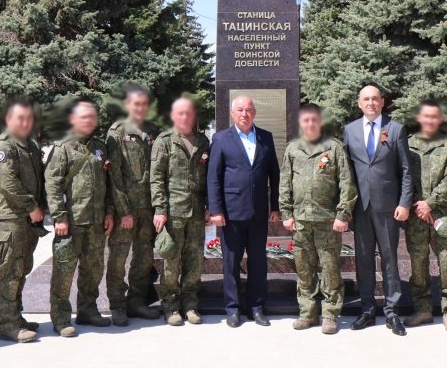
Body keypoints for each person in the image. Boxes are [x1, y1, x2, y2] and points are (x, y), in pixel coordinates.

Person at [279, 103, 357, 335]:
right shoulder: (293, 149)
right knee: (304, 269)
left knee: (330, 268)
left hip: (327, 220)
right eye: (306, 120)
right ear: (300, 123)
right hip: (301, 220)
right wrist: (286, 213)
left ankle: (331, 314)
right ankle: (308, 313)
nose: (310, 124)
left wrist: (343, 214)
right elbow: (285, 183)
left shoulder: (334, 148)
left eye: (314, 120)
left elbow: (347, 184)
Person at [343, 85, 412, 336]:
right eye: (366, 99)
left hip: (387, 207)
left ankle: (392, 312)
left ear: (382, 102)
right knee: (363, 259)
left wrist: (404, 203)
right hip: (360, 207)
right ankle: (367, 309)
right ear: (359, 104)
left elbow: (405, 170)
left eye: (375, 99)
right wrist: (345, 207)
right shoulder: (349, 130)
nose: (370, 103)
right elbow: (346, 171)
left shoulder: (396, 129)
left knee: (390, 258)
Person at [207, 94, 281, 327]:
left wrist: (275, 206)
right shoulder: (220, 139)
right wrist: (216, 210)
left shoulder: (266, 138)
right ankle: (232, 308)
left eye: (248, 110)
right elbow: (213, 178)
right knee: (231, 262)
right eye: (240, 110)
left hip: (259, 212)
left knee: (258, 262)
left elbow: (274, 176)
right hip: (230, 213)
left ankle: (256, 307)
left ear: (254, 113)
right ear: (232, 113)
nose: (244, 114)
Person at [45, 100, 116, 337]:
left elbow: (106, 184)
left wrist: (108, 211)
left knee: (93, 270)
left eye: (92, 117)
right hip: (71, 221)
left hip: (95, 221)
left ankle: (88, 310)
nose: (89, 121)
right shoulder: (63, 147)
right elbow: (52, 184)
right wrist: (59, 216)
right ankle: (61, 317)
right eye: (84, 117)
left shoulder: (100, 147)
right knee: (64, 272)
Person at [0, 99, 46, 343]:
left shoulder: (29, 145)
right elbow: (7, 182)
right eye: (19, 118)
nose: (25, 122)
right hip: (10, 219)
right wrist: (32, 205)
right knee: (10, 271)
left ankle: (16, 316)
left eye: (28, 118)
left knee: (22, 269)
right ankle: (8, 324)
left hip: (28, 221)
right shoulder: (4, 147)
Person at [105, 85, 163, 325]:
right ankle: (118, 305)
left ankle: (136, 301)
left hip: (148, 208)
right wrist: (123, 211)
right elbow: (114, 176)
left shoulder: (153, 131)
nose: (140, 108)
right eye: (135, 104)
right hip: (125, 211)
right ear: (128, 105)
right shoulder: (117, 132)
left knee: (144, 257)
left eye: (143, 104)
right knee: (118, 258)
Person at [150, 97, 211, 326]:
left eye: (188, 113)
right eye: (180, 114)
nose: (185, 117)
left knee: (194, 261)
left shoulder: (203, 142)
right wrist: (159, 208)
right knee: (171, 262)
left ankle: (191, 305)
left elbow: (208, 179)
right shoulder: (164, 141)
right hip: (172, 212)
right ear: (174, 116)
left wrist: (208, 207)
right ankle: (171, 306)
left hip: (196, 212)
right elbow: (156, 179)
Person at [405, 100, 447, 333]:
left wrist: (430, 203)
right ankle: (423, 309)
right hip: (415, 216)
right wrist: (418, 205)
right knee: (418, 265)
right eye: (425, 116)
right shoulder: (407, 144)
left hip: (441, 214)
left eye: (433, 117)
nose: (429, 120)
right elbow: (403, 176)